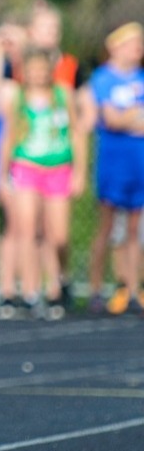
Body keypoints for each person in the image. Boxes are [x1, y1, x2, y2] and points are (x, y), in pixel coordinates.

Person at [0, 46, 87, 320]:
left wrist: (79, 172)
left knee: (58, 235)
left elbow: (77, 133)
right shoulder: (18, 98)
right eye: (31, 70)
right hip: (26, 167)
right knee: (27, 229)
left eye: (41, 69)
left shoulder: (63, 95)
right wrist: (1, 175)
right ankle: (33, 290)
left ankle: (58, 280)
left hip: (58, 168)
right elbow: (9, 137)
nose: (37, 75)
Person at [78, 21, 144, 315]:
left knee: (134, 229)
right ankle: (96, 289)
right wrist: (131, 117)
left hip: (138, 162)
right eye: (132, 43)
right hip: (114, 163)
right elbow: (112, 119)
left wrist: (126, 117)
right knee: (108, 228)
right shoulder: (103, 79)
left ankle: (133, 287)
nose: (138, 49)